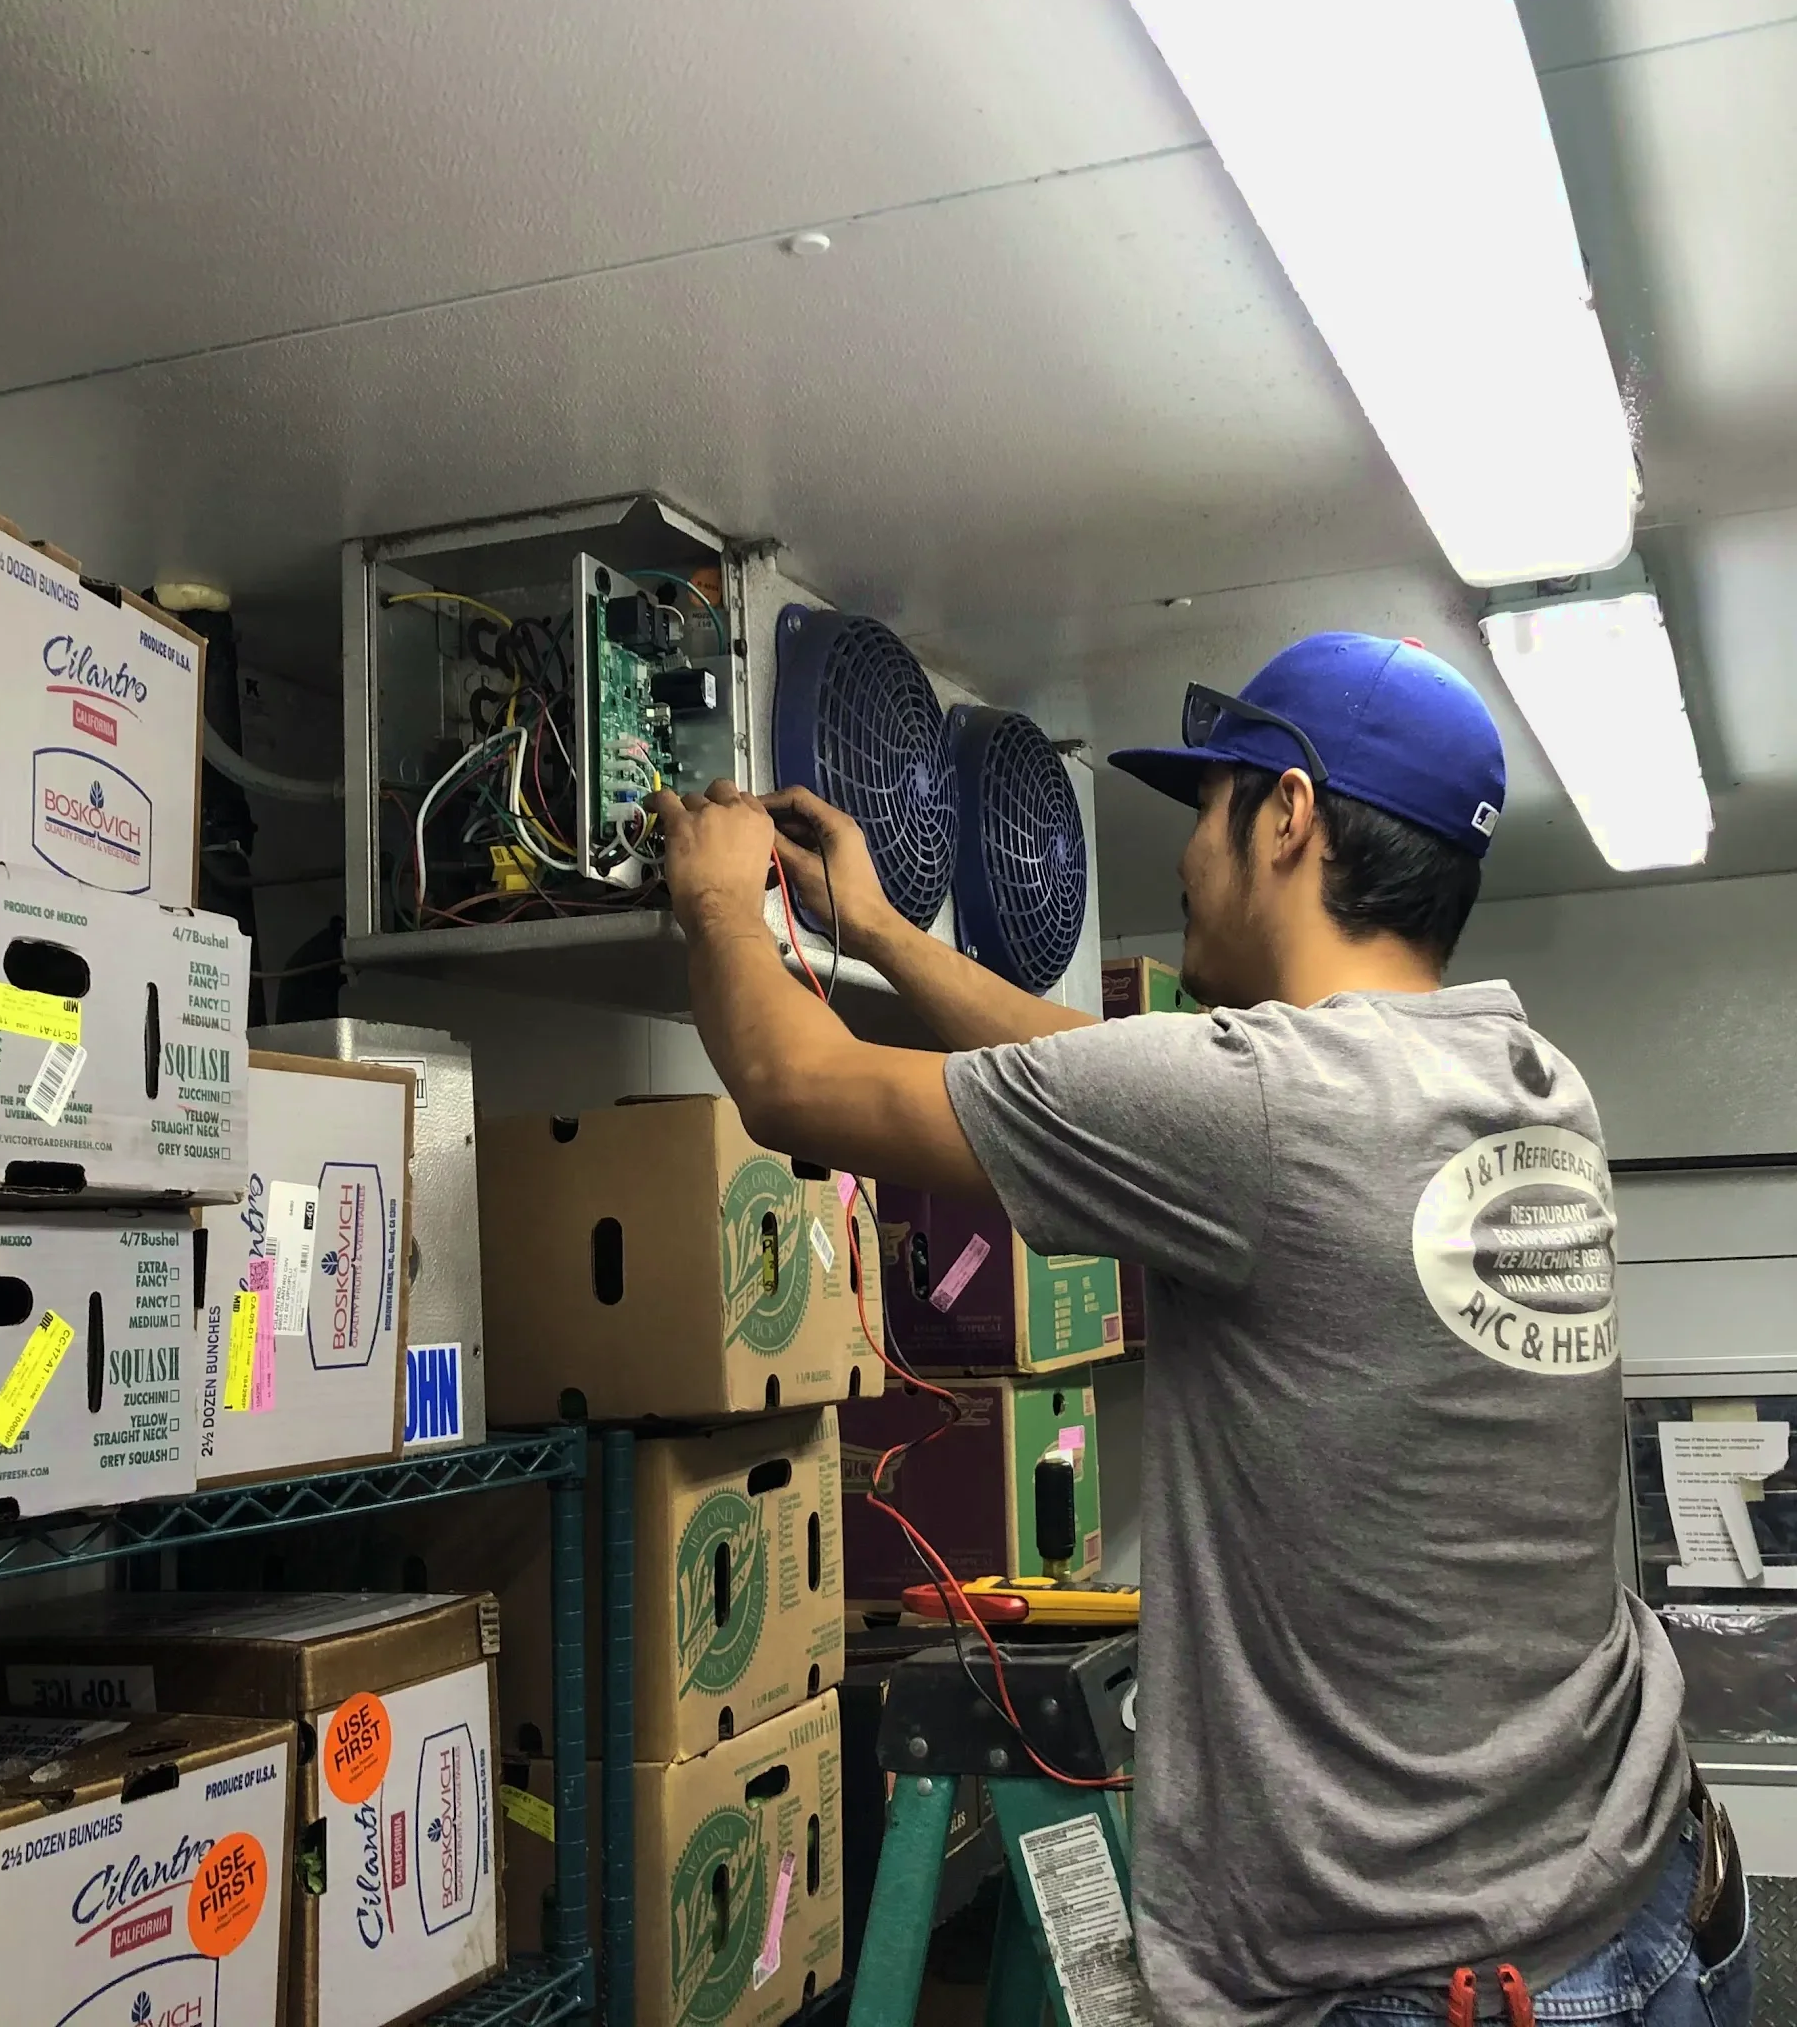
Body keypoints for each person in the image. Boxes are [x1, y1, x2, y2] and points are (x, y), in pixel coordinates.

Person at [650, 631, 1751, 2027]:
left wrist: (716, 897)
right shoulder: (1526, 1079)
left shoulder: (1265, 1107)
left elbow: (790, 1082)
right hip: (1652, 1892)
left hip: (1437, 1982)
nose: (1181, 857)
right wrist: (879, 935)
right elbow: (1096, 1079)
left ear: (1288, 814)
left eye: (1206, 805)